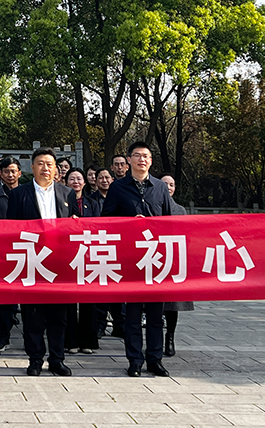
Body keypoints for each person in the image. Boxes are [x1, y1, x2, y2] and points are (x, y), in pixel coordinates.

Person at [101, 141, 173, 378]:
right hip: (131, 258)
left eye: (146, 156)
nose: (142, 159)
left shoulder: (160, 187)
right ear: (129, 160)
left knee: (155, 315)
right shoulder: (118, 187)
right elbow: (106, 220)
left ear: (151, 161)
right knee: (132, 315)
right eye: (137, 155)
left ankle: (155, 359)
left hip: (155, 258)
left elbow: (169, 222)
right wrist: (129, 224)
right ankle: (134, 360)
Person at [7, 147, 73, 377]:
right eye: (41, 164)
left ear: (56, 169)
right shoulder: (19, 194)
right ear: (32, 167)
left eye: (49, 164)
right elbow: (11, 229)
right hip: (32, 261)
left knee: (59, 316)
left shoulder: (67, 194)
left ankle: (57, 359)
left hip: (59, 262)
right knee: (33, 315)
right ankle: (35, 359)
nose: (45, 168)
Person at [63, 168, 100, 355]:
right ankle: (70, 341)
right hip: (68, 256)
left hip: (89, 255)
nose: (75, 182)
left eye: (79, 178)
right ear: (66, 182)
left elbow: (99, 226)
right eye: (72, 179)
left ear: (84, 182)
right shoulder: (61, 202)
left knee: (89, 300)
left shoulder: (92, 203)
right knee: (68, 301)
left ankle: (88, 341)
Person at [0, 155, 22, 353]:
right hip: (3, 252)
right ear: (1, 174)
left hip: (26, 250)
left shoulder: (27, 193)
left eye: (13, 171)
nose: (10, 175)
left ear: (19, 173)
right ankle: (3, 337)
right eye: (7, 171)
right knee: (4, 299)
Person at [160, 174, 193, 358]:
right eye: (164, 184)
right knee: (154, 304)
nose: (168, 187)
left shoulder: (180, 210)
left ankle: (170, 337)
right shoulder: (151, 206)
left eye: (171, 184)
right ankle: (155, 338)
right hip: (154, 258)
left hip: (173, 260)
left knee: (173, 304)